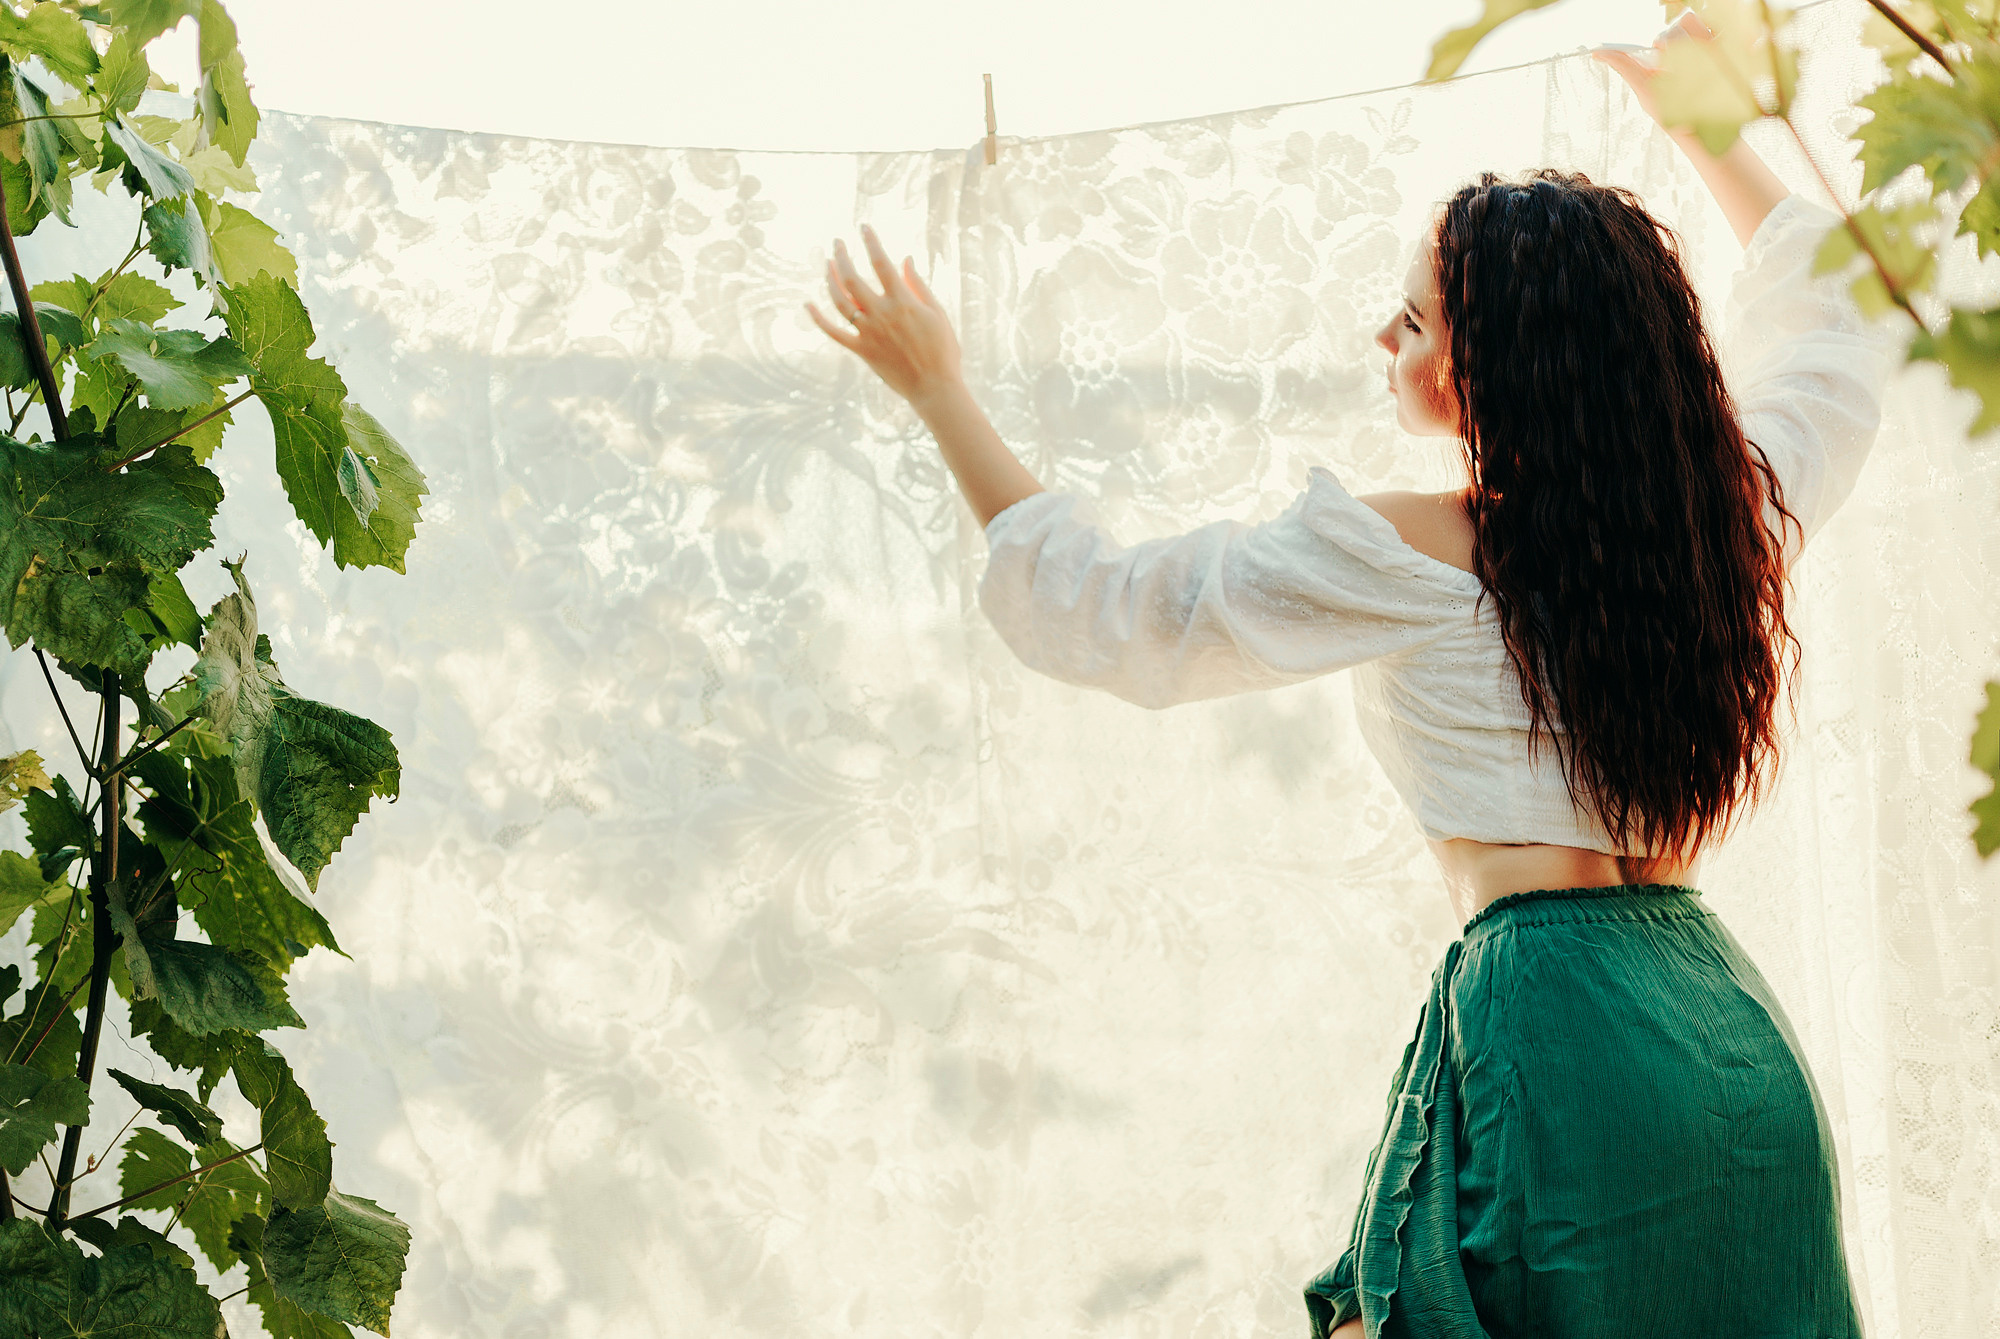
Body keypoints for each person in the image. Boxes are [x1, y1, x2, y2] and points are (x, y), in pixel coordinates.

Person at [806, 15, 1895, 1337]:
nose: (1385, 345)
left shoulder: (1405, 554)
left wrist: (940, 393)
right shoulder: (1725, 515)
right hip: (1725, 1035)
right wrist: (1707, 127)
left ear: (1483, 366)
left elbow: (1113, 612)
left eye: (1407, 320)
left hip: (1560, 1039)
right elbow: (1836, 333)